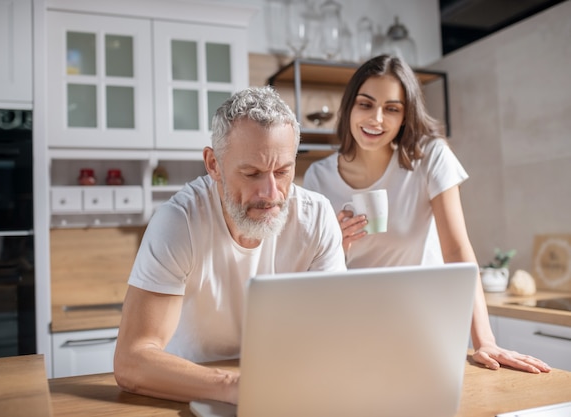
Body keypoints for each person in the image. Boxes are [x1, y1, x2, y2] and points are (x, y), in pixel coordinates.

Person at [303, 54, 551, 374]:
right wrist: (335, 249)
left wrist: (485, 340)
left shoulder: (429, 157)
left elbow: (457, 250)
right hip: (356, 327)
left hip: (427, 327)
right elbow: (313, 273)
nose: (376, 118)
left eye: (392, 108)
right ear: (349, 106)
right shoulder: (318, 177)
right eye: (366, 104)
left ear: (406, 116)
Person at [114, 86, 347, 404]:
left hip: (282, 390)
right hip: (189, 394)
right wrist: (238, 387)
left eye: (282, 172)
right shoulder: (179, 221)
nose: (271, 193)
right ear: (213, 164)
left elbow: (333, 333)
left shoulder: (317, 217)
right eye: (251, 173)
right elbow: (132, 361)